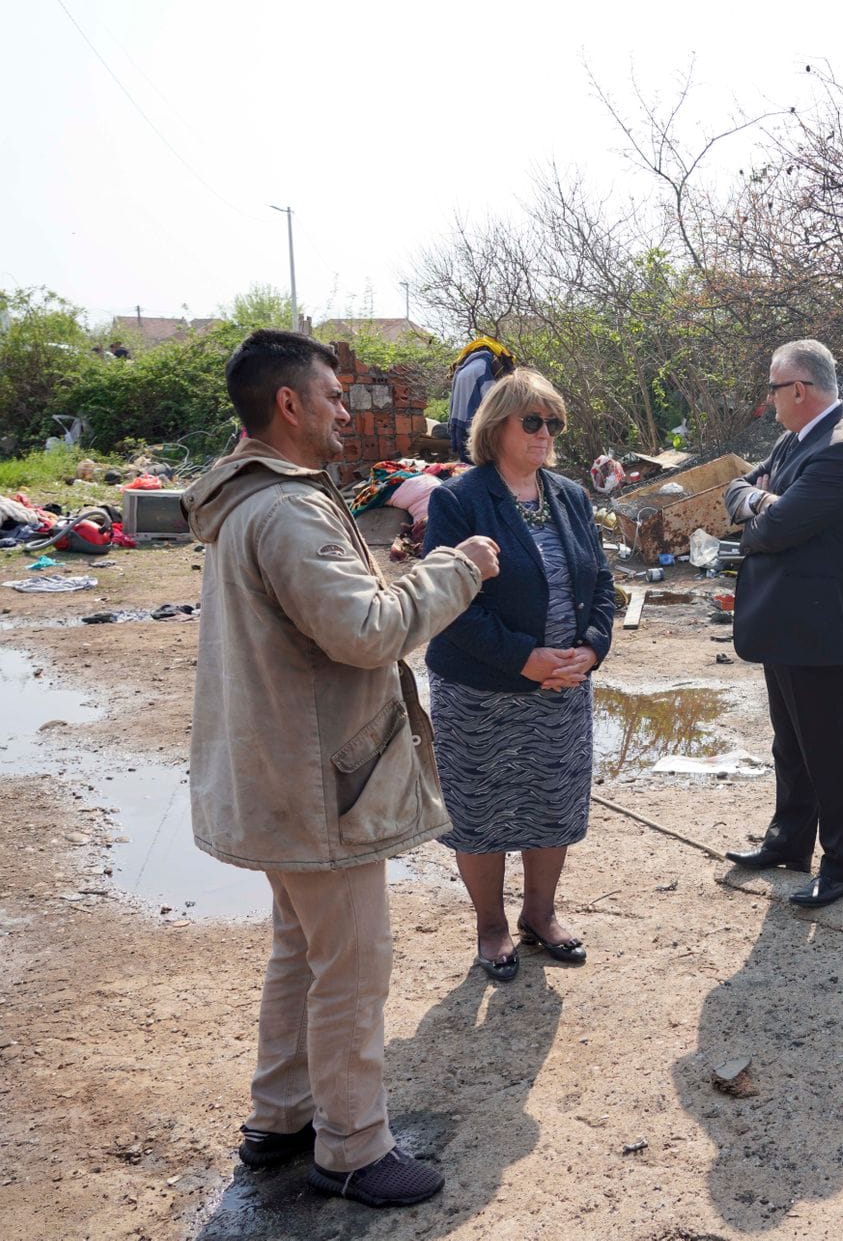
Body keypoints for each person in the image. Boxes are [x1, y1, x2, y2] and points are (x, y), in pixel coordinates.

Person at [184, 329, 501, 1208]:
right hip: (318, 786)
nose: (343, 412)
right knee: (352, 963)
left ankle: (280, 1117)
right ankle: (354, 1147)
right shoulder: (285, 508)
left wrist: (386, 577)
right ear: (288, 404)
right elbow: (363, 632)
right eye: (331, 396)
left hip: (282, 781)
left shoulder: (256, 500)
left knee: (304, 952)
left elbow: (331, 612)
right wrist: (454, 569)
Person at [422, 369, 616, 980]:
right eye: (531, 421)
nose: (544, 433)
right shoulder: (459, 501)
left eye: (552, 423)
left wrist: (590, 649)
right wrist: (522, 658)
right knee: (480, 813)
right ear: (496, 426)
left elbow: (602, 586)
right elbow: (452, 605)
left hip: (560, 688)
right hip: (481, 692)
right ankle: (491, 926)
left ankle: (540, 914)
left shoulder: (571, 496)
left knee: (551, 802)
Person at [721, 339, 843, 908]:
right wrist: (759, 500)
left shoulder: (841, 450)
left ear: (799, 389)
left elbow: (774, 529)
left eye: (772, 387)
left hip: (816, 628)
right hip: (785, 623)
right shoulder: (798, 440)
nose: (769, 400)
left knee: (829, 752)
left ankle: (842, 867)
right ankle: (790, 840)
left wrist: (761, 507)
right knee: (791, 744)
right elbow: (735, 490)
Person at [446, 336, 514, 464]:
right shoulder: (483, 367)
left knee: (468, 470)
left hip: (460, 429)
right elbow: (493, 403)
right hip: (479, 432)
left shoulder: (461, 371)